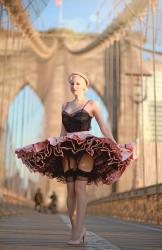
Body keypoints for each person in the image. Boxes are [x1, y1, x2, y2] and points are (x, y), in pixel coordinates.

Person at [15, 72, 135, 245]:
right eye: (72, 84)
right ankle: (77, 229)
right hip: (67, 148)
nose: (74, 86)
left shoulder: (92, 104)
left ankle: (77, 233)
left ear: (85, 86)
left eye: (78, 84)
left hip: (86, 148)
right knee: (70, 191)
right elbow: (62, 133)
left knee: (80, 189)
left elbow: (104, 128)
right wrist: (54, 146)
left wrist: (115, 145)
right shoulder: (64, 105)